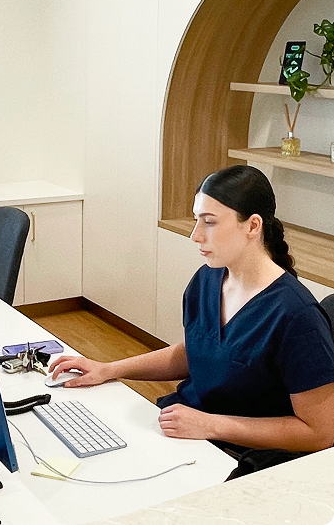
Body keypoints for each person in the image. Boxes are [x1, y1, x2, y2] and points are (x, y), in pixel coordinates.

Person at [49, 165, 334, 454]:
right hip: (184, 428)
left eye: (209, 222)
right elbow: (197, 351)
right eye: (196, 220)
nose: (195, 235)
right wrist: (109, 369)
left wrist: (211, 425)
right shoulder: (208, 279)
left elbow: (320, 432)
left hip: (239, 454)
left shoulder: (297, 316)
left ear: (252, 226)